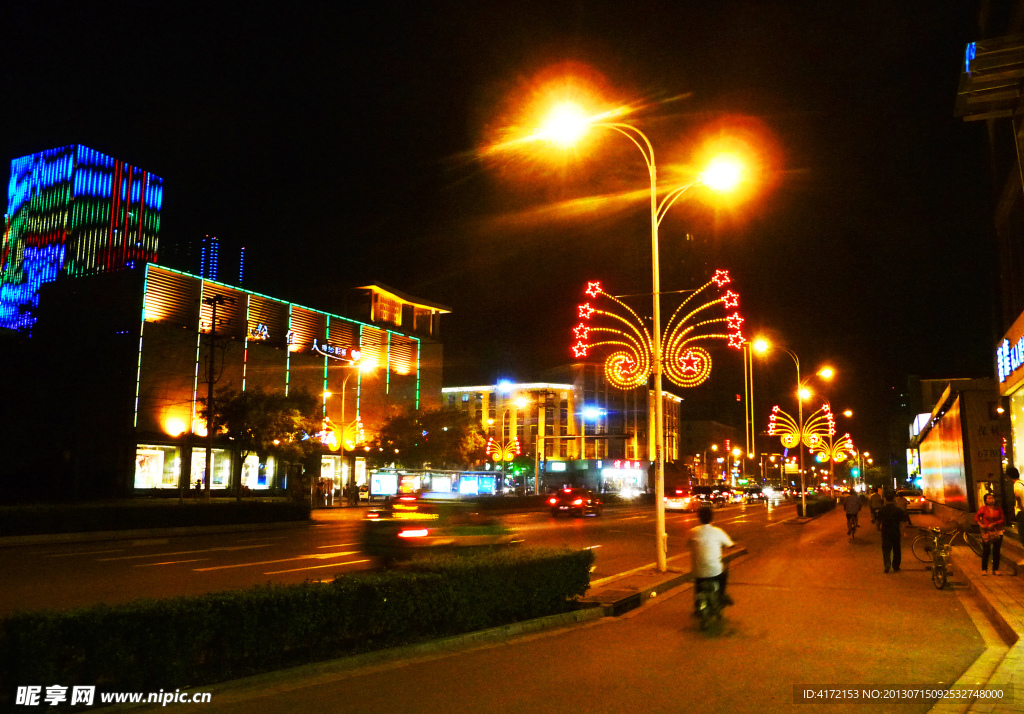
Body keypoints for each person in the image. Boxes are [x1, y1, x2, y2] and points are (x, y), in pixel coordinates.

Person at [687, 505, 736, 612]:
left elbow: (686, 544)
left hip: (697, 571)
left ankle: (697, 606)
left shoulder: (692, 532)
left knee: (698, 583)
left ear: (699, 518)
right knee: (724, 573)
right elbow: (730, 544)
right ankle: (721, 595)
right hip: (714, 571)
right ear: (712, 517)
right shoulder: (718, 531)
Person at [877, 489, 910, 573]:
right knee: (896, 549)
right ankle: (895, 566)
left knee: (886, 549)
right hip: (895, 531)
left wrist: (879, 527)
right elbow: (902, 522)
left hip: (885, 532)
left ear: (885, 499)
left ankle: (887, 566)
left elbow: (878, 522)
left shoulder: (882, 509)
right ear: (894, 500)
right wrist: (904, 532)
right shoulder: (898, 510)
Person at [975, 491, 1006, 575]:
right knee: (986, 550)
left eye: (992, 498)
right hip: (987, 532)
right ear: (986, 501)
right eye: (989, 498)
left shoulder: (998, 509)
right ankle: (984, 569)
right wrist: (981, 524)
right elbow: (976, 517)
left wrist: (995, 523)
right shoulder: (983, 508)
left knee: (997, 551)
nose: (991, 499)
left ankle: (995, 569)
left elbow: (1002, 519)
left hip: (997, 531)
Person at [1010, 466, 1024, 539]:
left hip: (1021, 511)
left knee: (1022, 533)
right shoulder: (1022, 483)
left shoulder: (1016, 484)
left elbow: (1018, 495)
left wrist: (1020, 506)